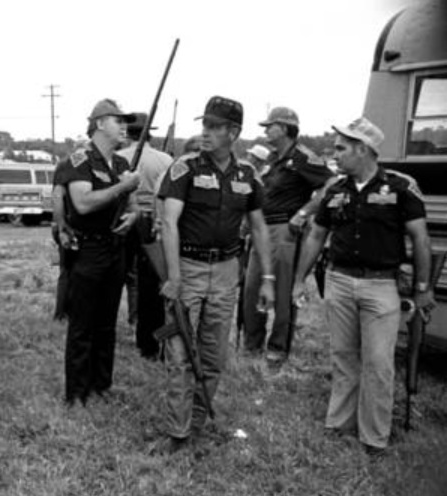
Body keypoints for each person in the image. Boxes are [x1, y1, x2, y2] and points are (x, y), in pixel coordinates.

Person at [292, 117, 433, 456]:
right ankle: (339, 424)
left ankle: (373, 438)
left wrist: (423, 288)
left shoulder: (401, 187)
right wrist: (299, 280)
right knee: (343, 357)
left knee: (378, 363)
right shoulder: (335, 189)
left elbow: (420, 238)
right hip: (339, 281)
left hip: (380, 285)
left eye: (341, 148)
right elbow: (316, 235)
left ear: (363, 150)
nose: (334, 154)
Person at [155, 96, 275, 453]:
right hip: (188, 268)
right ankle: (177, 433)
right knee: (179, 355)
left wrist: (268, 279)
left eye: (214, 126)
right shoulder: (185, 168)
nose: (205, 132)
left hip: (226, 271)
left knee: (213, 356)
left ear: (233, 132)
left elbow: (259, 227)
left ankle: (196, 424)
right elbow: (169, 222)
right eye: (204, 125)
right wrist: (174, 277)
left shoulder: (248, 175)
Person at [54, 99, 141, 406]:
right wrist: (122, 187)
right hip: (88, 249)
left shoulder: (121, 165)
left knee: (106, 323)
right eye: (119, 121)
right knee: (83, 324)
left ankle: (101, 386)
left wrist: (134, 216)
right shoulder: (80, 161)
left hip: (115, 247)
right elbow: (83, 203)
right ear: (100, 123)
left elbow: (133, 205)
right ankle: (77, 393)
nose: (125, 127)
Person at [242, 107, 333, 369]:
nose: (265, 131)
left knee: (283, 292)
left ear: (284, 128)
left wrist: (304, 213)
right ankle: (252, 345)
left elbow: (330, 184)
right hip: (262, 230)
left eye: (269, 126)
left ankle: (277, 349)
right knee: (252, 288)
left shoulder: (303, 157)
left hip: (286, 230)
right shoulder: (272, 158)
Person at [116, 112, 174, 359]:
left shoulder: (118, 158)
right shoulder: (166, 159)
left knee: (116, 278)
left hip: (125, 220)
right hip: (152, 222)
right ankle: (148, 342)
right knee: (151, 285)